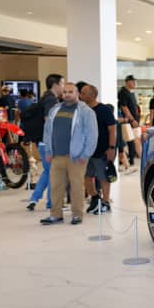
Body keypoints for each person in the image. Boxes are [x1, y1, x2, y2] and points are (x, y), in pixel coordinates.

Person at [39, 83, 97, 225]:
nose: (67, 94)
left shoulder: (85, 111)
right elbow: (47, 131)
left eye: (71, 92)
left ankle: (77, 215)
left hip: (76, 157)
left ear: (77, 93)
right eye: (65, 92)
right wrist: (48, 150)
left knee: (76, 187)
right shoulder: (55, 109)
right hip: (57, 156)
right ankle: (55, 215)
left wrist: (85, 155)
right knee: (55, 187)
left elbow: (92, 135)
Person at [27, 74, 65, 211]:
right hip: (48, 142)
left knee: (48, 171)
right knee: (53, 172)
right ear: (55, 85)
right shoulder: (51, 100)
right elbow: (49, 120)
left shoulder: (44, 97)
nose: (63, 87)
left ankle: (34, 198)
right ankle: (52, 203)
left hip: (42, 141)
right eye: (62, 84)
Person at [80, 85, 117, 214]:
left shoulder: (104, 110)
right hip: (86, 151)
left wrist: (111, 147)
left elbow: (112, 129)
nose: (80, 95)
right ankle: (95, 198)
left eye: (83, 93)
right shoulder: (82, 110)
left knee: (103, 177)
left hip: (102, 150)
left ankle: (106, 202)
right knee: (86, 175)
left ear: (91, 95)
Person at [118, 75, 142, 166]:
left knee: (134, 139)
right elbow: (124, 107)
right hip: (128, 120)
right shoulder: (123, 92)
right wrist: (132, 120)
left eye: (135, 81)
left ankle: (132, 158)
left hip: (134, 119)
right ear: (127, 82)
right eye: (133, 81)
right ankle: (130, 159)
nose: (135, 83)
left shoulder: (131, 93)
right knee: (130, 139)